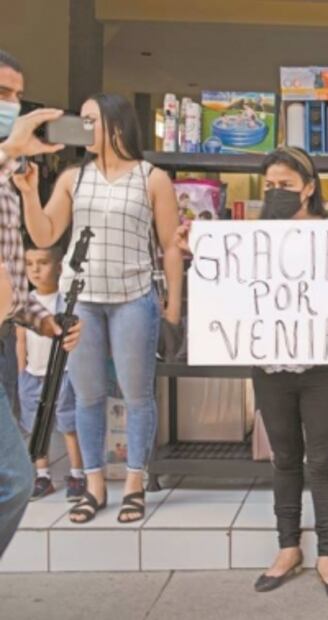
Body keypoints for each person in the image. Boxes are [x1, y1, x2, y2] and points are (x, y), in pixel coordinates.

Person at [176, 146, 328, 601]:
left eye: (286, 186)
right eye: (269, 186)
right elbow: (224, 285)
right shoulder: (250, 238)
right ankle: (288, 548)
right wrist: (194, 249)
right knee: (285, 457)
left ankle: (327, 555)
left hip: (324, 367)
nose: (276, 193)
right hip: (270, 365)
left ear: (309, 188)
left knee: (323, 457)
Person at [16, 92, 183, 525]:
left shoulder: (152, 178)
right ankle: (92, 484)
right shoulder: (73, 177)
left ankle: (134, 482)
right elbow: (46, 232)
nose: (83, 127)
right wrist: (31, 193)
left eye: (90, 120)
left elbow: (169, 246)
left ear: (116, 125)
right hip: (81, 300)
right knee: (87, 395)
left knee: (137, 396)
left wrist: (173, 309)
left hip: (134, 296)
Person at [0, 48, 81, 559]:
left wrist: (43, 320)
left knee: (11, 478)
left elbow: (11, 271)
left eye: (15, 94)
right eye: (2, 94)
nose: (13, 104)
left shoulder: (10, 180)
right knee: (14, 479)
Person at [16, 242, 84, 501]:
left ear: (58, 267)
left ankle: (77, 474)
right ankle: (42, 475)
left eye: (42, 263)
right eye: (29, 264)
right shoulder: (25, 303)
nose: (35, 270)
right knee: (36, 426)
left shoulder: (65, 302)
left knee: (68, 423)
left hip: (62, 372)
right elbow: (20, 340)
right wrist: (22, 371)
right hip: (33, 375)